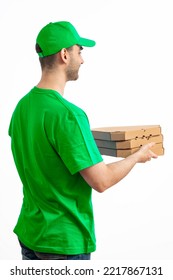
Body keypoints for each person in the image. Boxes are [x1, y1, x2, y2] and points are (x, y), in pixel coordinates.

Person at [8, 21, 158, 260]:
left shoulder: (23, 107)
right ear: (64, 55)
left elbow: (47, 155)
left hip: (31, 234)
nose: (83, 60)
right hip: (64, 243)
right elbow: (102, 181)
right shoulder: (68, 114)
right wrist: (136, 157)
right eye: (80, 51)